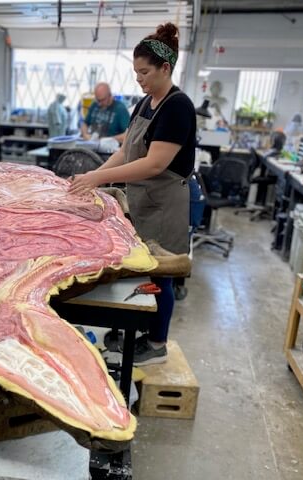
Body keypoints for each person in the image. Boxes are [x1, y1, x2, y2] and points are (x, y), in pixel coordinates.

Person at [70, 23, 196, 366]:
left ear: (165, 68)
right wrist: (95, 174)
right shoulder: (147, 101)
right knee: (138, 269)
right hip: (143, 199)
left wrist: (100, 179)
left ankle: (156, 343)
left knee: (161, 272)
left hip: (166, 201)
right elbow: (128, 152)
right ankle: (135, 328)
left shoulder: (177, 106)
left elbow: (154, 164)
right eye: (135, 72)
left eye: (144, 72)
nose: (138, 78)